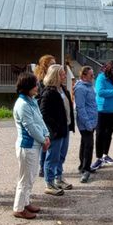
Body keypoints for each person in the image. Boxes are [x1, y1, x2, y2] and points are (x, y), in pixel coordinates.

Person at [12, 73, 49, 219]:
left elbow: (40, 120)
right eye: (34, 84)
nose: (37, 87)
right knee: (25, 178)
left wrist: (46, 135)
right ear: (27, 87)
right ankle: (19, 208)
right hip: (27, 146)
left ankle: (25, 202)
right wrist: (43, 139)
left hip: (35, 144)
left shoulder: (31, 101)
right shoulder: (22, 104)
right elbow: (30, 127)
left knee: (31, 177)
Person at [38, 64, 75, 195]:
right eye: (62, 74)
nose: (65, 76)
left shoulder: (63, 89)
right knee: (52, 157)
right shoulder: (48, 92)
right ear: (55, 75)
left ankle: (58, 179)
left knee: (61, 156)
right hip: (55, 131)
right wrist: (54, 128)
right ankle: (49, 183)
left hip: (64, 128)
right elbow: (43, 113)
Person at [91, 61, 113, 170]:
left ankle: (105, 155)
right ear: (111, 69)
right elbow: (100, 92)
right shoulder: (101, 77)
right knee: (100, 134)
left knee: (109, 134)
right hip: (102, 109)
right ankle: (98, 158)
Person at [34, 55, 57, 175]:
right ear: (45, 65)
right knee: (45, 140)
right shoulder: (39, 80)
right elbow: (37, 97)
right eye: (51, 64)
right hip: (42, 113)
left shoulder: (54, 79)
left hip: (52, 113)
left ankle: (48, 165)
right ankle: (42, 166)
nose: (54, 66)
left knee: (50, 140)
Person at [74, 66, 98, 183]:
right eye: (91, 75)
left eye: (93, 75)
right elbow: (80, 108)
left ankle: (82, 166)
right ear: (84, 76)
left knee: (85, 143)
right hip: (86, 122)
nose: (93, 77)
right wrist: (87, 122)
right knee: (88, 145)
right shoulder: (80, 89)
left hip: (91, 120)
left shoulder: (89, 86)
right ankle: (85, 169)